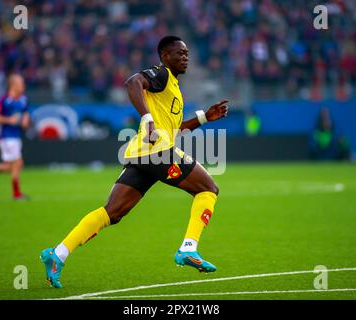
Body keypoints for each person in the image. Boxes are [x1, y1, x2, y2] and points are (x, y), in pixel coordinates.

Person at [40, 35, 229, 288]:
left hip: (143, 154)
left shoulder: (172, 86)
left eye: (187, 54)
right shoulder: (160, 74)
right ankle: (188, 248)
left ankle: (58, 254)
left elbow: (174, 130)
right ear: (164, 56)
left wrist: (204, 118)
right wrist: (146, 118)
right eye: (180, 53)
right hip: (157, 151)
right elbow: (132, 82)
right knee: (208, 189)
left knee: (113, 212)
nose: (186, 57)